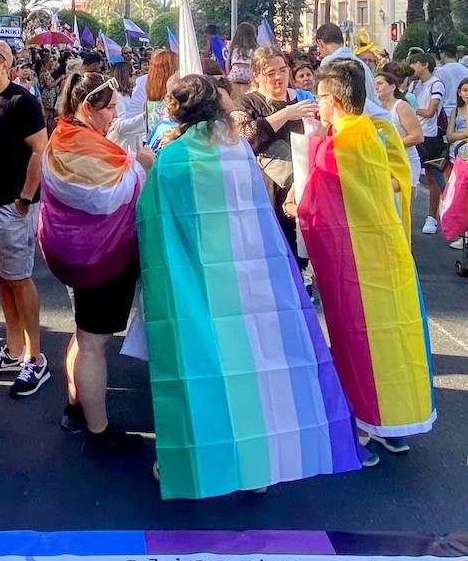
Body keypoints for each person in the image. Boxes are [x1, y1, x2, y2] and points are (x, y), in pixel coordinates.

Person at [137, 73, 361, 497]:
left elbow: (154, 220)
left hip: (195, 281)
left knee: (198, 370)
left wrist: (149, 167)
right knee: (252, 367)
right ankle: (256, 463)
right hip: (248, 274)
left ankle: (194, 463)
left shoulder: (173, 156)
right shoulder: (236, 148)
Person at [298, 60, 435, 466]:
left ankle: (365, 423)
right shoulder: (377, 131)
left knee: (359, 342)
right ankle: (394, 424)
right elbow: (397, 181)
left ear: (335, 99)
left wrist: (298, 202)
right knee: (395, 340)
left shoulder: (344, 140)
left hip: (355, 259)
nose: (317, 104)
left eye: (320, 97)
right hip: (387, 250)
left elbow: (318, 202)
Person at [38, 72, 152, 456]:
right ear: (88, 107)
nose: (116, 116)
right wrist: (140, 165)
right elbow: (110, 196)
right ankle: (99, 434)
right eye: (111, 109)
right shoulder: (87, 147)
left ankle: (75, 406)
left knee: (83, 333)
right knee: (93, 344)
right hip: (100, 259)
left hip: (72, 256)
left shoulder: (63, 136)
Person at [0, 39, 50, 398]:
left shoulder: (22, 101)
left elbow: (39, 151)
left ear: (6, 65)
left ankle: (35, 358)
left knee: (19, 279)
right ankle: (13, 347)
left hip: (12, 206)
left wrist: (25, 198)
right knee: (2, 278)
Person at [234, 47, 317, 264]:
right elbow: (242, 137)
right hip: (263, 189)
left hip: (301, 187)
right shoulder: (246, 103)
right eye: (270, 73)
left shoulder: (304, 98)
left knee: (301, 255)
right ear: (257, 76)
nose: (279, 77)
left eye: (282, 70)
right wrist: (286, 114)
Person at [409, 53, 447, 234]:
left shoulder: (436, 84)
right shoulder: (413, 83)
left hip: (431, 137)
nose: (411, 67)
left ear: (424, 64)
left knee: (433, 176)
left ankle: (433, 216)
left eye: (414, 63)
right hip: (414, 134)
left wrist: (409, 108)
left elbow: (431, 111)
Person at [375, 71, 423, 192]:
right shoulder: (376, 108)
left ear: (392, 87)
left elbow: (417, 136)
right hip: (384, 161)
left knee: (402, 204)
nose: (376, 87)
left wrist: (390, 146)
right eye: (374, 84)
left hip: (405, 160)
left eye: (380, 83)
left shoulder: (401, 106)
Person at [435, 44, 468, 121]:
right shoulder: (466, 70)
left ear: (443, 54)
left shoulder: (440, 71)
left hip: (446, 111)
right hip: (464, 110)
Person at [226, 21, 258, 95]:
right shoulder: (255, 49)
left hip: (235, 73)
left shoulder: (234, 48)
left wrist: (229, 74)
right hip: (250, 74)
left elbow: (227, 64)